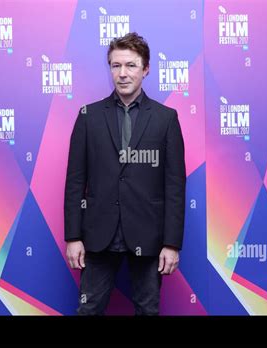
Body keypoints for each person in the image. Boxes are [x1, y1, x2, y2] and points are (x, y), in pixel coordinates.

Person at [64, 32, 186, 316]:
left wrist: (171, 244)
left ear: (146, 69)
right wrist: (73, 236)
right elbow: (74, 182)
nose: (122, 73)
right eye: (115, 65)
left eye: (130, 65)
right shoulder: (87, 116)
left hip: (149, 235)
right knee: (89, 310)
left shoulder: (166, 119)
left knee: (147, 311)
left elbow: (175, 186)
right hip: (97, 237)